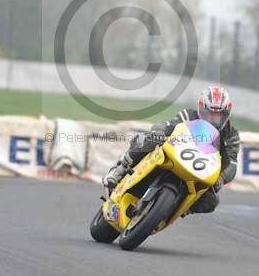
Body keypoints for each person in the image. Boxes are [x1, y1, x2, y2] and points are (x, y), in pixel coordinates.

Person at [103, 85, 240, 214]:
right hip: (174, 153)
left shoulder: (231, 134)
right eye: (208, 114)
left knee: (211, 201)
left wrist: (221, 179)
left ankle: (178, 210)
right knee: (146, 138)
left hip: (199, 172)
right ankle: (119, 170)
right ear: (200, 110)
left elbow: (232, 164)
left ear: (225, 115)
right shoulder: (188, 115)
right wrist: (160, 132)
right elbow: (167, 125)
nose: (211, 119)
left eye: (216, 116)